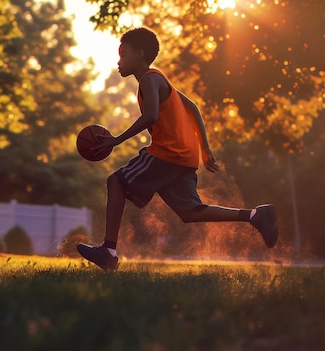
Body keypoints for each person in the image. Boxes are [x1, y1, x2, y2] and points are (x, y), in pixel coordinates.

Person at [77, 27, 278, 271]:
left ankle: (108, 251)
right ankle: (255, 215)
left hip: (167, 153)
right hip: (184, 155)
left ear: (140, 54)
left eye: (124, 54)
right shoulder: (158, 80)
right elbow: (192, 107)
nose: (119, 61)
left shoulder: (151, 79)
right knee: (190, 211)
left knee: (115, 182)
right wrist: (204, 148)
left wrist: (116, 140)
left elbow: (151, 115)